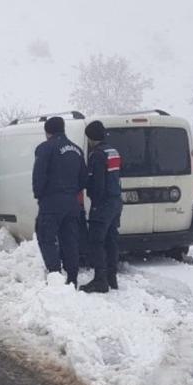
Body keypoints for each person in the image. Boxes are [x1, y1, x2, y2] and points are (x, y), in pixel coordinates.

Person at [32, 116, 87, 285]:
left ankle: (55, 275)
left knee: (46, 238)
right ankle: (72, 278)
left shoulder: (45, 148)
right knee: (69, 240)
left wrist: (39, 194)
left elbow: (39, 176)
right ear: (63, 129)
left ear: (47, 132)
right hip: (72, 202)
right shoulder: (77, 150)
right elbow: (84, 179)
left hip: (51, 201)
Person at [79, 120, 123, 293]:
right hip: (116, 202)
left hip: (103, 204)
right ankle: (112, 278)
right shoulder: (113, 152)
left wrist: (89, 191)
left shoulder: (97, 155)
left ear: (90, 137)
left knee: (96, 241)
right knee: (111, 240)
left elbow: (96, 183)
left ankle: (100, 280)